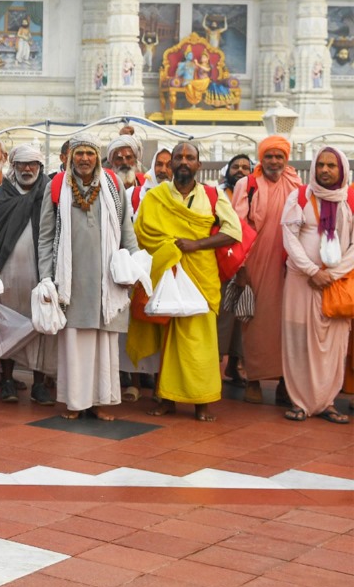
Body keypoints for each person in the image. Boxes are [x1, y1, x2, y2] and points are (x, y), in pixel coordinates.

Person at [132, 142, 241, 422]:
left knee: (200, 343)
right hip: (168, 275)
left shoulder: (214, 194)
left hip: (201, 278)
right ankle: (166, 398)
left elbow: (233, 232)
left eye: (189, 158)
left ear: (198, 165)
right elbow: (141, 232)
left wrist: (196, 244)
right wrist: (169, 248)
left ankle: (201, 402)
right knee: (169, 340)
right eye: (178, 158)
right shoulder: (156, 196)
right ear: (169, 165)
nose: (183, 162)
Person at [37, 137, 138, 421]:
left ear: (97, 157)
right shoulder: (56, 186)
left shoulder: (114, 185)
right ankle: (74, 402)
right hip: (71, 279)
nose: (84, 159)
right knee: (74, 340)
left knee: (103, 343)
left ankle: (99, 401)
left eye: (89, 154)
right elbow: (45, 236)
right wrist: (46, 277)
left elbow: (126, 229)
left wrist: (133, 264)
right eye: (79, 153)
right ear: (70, 157)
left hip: (106, 279)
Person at [280, 147, 353, 423]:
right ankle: (300, 402)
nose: (324, 170)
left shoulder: (350, 200)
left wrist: (332, 275)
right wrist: (311, 270)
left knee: (333, 344)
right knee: (298, 340)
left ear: (341, 169)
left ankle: (327, 402)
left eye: (331, 165)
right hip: (302, 281)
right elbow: (290, 237)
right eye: (320, 164)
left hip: (336, 284)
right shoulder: (299, 197)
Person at [232, 136, 303, 405]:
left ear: (287, 159)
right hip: (256, 262)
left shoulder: (297, 185)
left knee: (288, 324)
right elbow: (237, 227)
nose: (274, 161)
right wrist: (240, 267)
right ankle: (253, 379)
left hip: (289, 264)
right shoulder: (247, 184)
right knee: (255, 322)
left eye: (279, 156)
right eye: (269, 156)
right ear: (260, 158)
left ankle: (286, 383)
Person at [0, 143, 58, 404]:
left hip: (40, 274)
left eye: (33, 164)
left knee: (41, 326)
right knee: (7, 325)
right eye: (22, 164)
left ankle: (39, 385)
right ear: (13, 167)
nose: (28, 169)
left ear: (40, 167)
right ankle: (7, 381)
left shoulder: (49, 194)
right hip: (6, 273)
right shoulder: (2, 195)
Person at [107, 134, 157, 401]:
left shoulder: (148, 187)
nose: (124, 162)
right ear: (110, 161)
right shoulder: (105, 185)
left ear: (137, 161)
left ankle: (142, 373)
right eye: (119, 158)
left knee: (143, 321)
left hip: (144, 264)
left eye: (129, 158)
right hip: (113, 266)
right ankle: (125, 375)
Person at [218, 154, 253, 384]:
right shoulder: (219, 194)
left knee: (242, 316)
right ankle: (215, 364)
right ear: (227, 170)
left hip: (250, 260)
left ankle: (235, 364)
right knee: (222, 315)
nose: (240, 171)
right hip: (223, 259)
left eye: (245, 167)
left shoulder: (253, 192)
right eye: (235, 166)